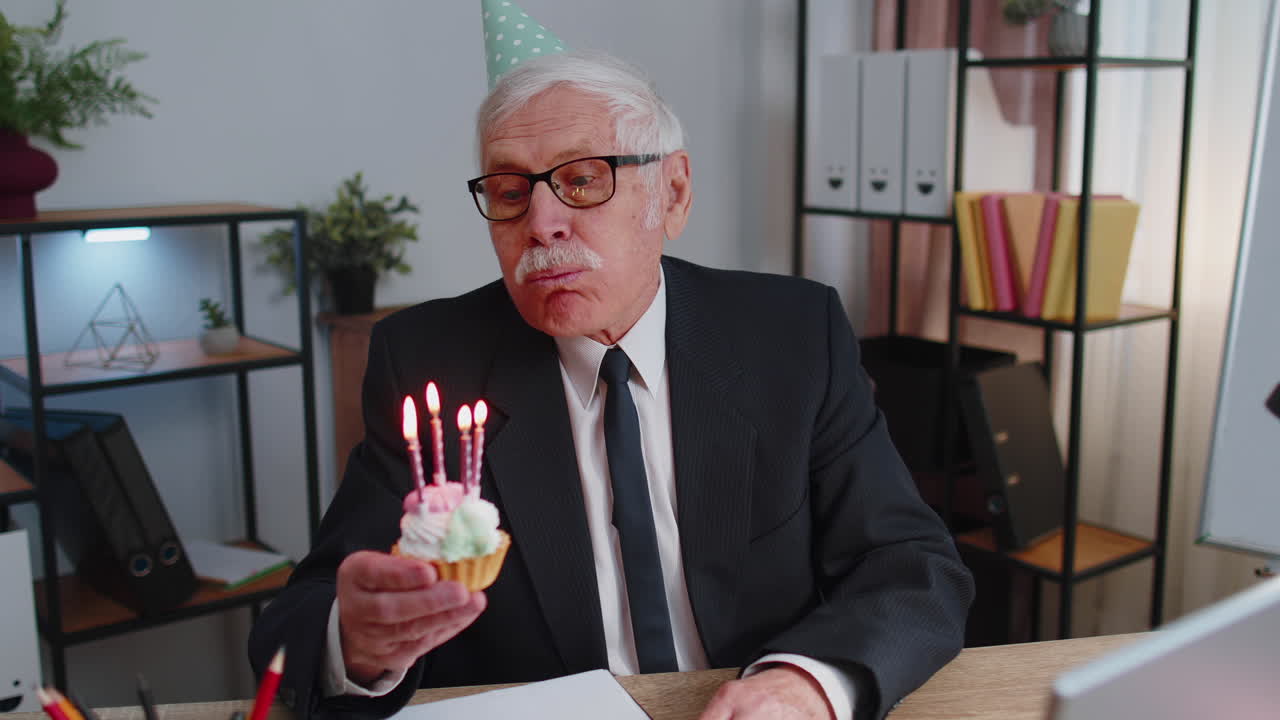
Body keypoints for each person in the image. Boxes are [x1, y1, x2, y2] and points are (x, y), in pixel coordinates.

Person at [249, 46, 973, 720]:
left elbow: (911, 565)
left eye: (582, 180)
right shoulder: (429, 361)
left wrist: (806, 683)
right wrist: (358, 642)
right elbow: (298, 621)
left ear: (674, 193)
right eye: (510, 191)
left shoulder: (793, 334)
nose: (542, 224)